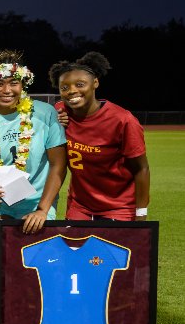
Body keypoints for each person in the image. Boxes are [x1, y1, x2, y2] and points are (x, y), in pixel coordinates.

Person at [0, 51, 65, 233]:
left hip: (37, 208)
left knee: (32, 259)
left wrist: (42, 210)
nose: (6, 90)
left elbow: (58, 165)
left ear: (23, 84)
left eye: (13, 83)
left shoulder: (45, 113)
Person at [52, 52, 149, 220]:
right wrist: (55, 120)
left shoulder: (122, 120)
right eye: (65, 88)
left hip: (118, 208)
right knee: (73, 246)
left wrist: (141, 214)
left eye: (80, 84)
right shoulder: (60, 112)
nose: (72, 91)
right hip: (79, 207)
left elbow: (142, 168)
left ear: (95, 82)